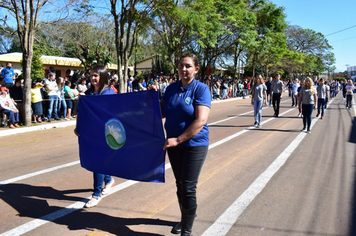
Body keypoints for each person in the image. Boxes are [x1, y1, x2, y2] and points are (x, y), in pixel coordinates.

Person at [161, 53, 211, 236]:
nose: (184, 69)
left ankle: (186, 231)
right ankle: (184, 219)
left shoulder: (201, 89)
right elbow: (162, 111)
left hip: (194, 145)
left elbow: (200, 120)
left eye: (188, 66)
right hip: (174, 146)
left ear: (196, 69)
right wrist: (149, 98)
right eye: (181, 65)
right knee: (180, 185)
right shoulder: (171, 88)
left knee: (188, 187)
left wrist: (178, 139)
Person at [75, 65, 116, 208]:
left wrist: (88, 101)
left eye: (96, 75)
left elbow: (105, 112)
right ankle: (109, 179)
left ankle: (96, 195)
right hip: (91, 133)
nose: (92, 78)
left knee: (97, 162)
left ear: (103, 76)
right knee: (95, 161)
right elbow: (82, 111)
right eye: (91, 75)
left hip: (105, 134)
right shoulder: (89, 92)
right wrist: (78, 126)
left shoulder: (108, 93)